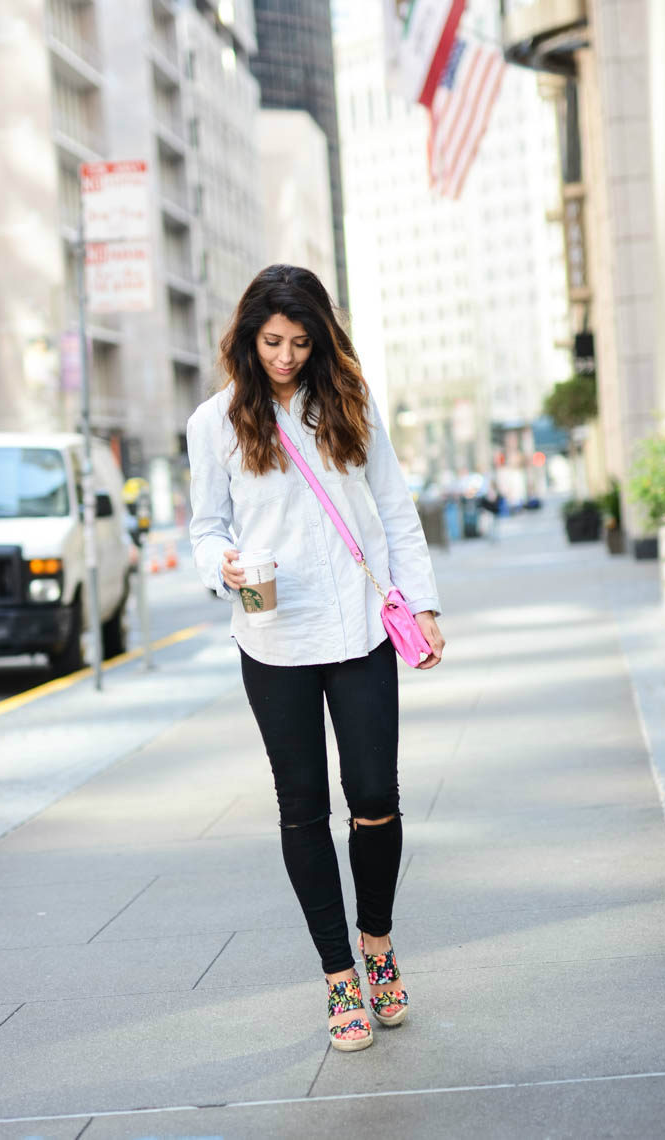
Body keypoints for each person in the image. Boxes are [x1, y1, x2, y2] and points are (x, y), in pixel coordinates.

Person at [187, 265, 445, 1053]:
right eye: (272, 342)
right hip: (273, 639)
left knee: (375, 797)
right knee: (302, 808)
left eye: (301, 342)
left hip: (362, 628)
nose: (287, 357)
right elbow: (204, 526)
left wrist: (424, 605)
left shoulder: (352, 405)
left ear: (321, 338)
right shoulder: (216, 423)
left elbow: (394, 509)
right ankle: (339, 976)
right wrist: (222, 564)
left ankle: (378, 945)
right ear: (247, 338)